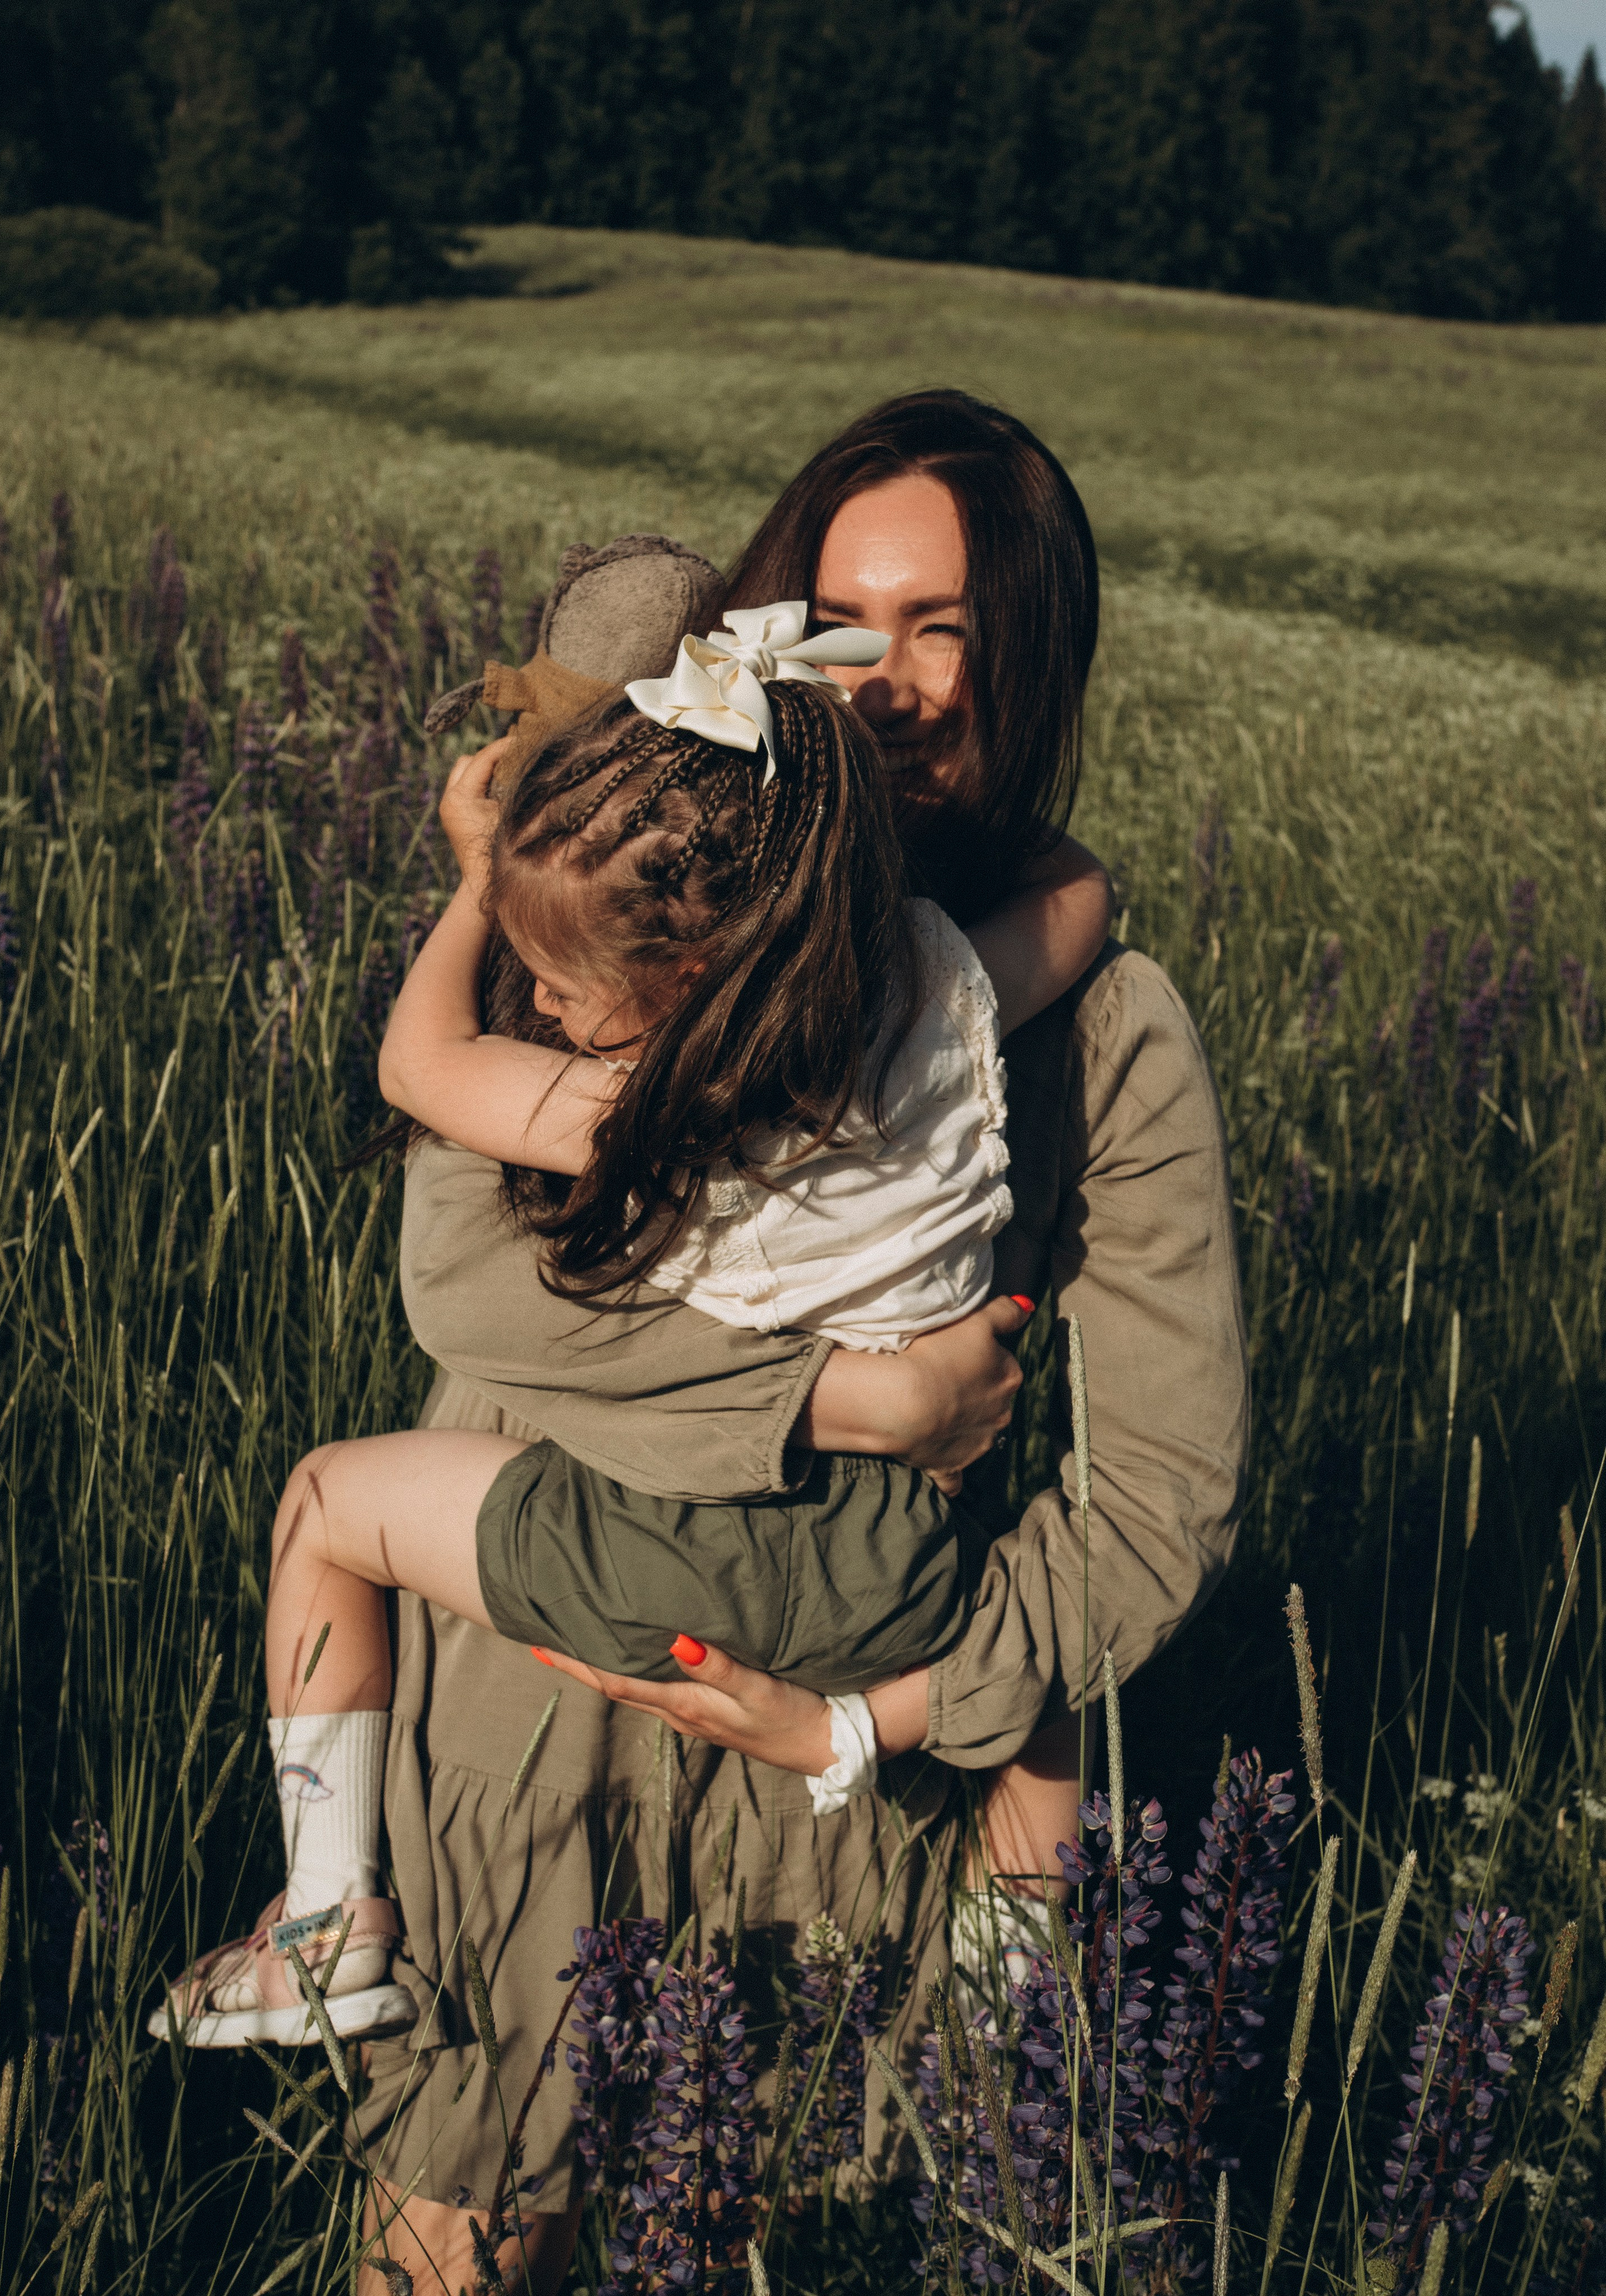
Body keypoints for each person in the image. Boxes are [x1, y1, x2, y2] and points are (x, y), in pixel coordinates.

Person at [361, 390, 1248, 2291]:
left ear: (1040, 656)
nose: (903, 684)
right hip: (537, 1702)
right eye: (853, 622)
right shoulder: (630, 905)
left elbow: (1160, 1496)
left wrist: (884, 1716)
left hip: (848, 1793)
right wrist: (860, 1393)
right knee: (459, 2233)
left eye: (953, 629)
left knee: (762, 2224)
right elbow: (466, 1281)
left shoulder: (1102, 1020)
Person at [150, 614, 1115, 2048]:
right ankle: (1002, 2002)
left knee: (323, 1510)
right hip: (891, 1567)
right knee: (1042, 1695)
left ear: (686, 994)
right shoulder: (935, 1000)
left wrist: (482, 883)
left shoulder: (652, 1107)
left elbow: (417, 1062)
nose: (542, 1002)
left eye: (567, 988)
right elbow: (1080, 893)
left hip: (659, 1550)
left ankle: (324, 1925)